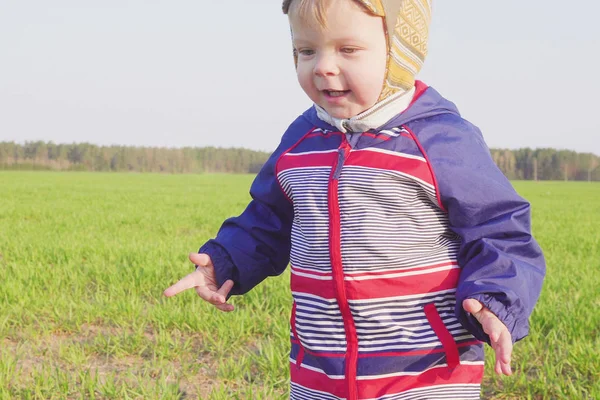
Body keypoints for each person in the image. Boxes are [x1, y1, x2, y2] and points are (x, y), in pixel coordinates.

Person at [164, 0, 546, 398]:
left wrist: (496, 299)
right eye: (307, 50)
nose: (323, 66)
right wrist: (225, 261)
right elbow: (267, 219)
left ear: (398, 52)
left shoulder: (441, 139)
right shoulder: (301, 139)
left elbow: (498, 229)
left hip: (423, 373)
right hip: (319, 371)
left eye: (347, 50)